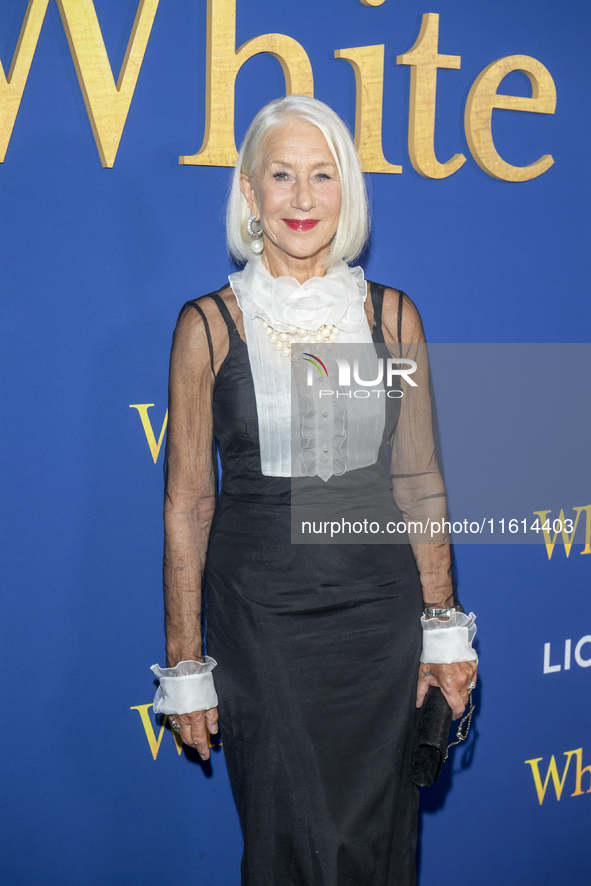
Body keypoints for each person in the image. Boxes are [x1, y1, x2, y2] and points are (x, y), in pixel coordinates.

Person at [150, 95, 478, 886]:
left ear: (347, 191)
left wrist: (442, 633)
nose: (302, 198)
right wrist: (185, 660)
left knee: (379, 842)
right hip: (263, 625)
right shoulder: (208, 327)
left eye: (322, 175)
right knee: (291, 840)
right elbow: (190, 503)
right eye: (282, 176)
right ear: (249, 192)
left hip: (379, 620)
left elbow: (417, 479)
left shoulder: (392, 318)